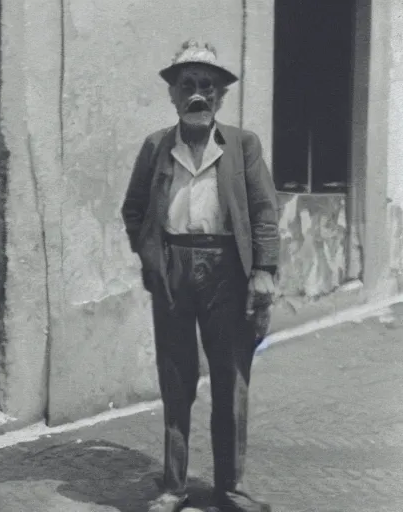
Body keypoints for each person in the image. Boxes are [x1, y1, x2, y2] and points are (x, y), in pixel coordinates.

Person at [121, 40, 280, 512]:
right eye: (187, 85)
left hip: (226, 269)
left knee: (230, 379)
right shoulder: (156, 145)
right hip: (172, 269)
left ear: (220, 97)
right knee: (175, 377)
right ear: (172, 94)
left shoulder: (243, 145)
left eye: (207, 87)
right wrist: (150, 255)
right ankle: (174, 487)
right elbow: (133, 209)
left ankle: (229, 488)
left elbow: (264, 211)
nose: (197, 95)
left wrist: (265, 271)